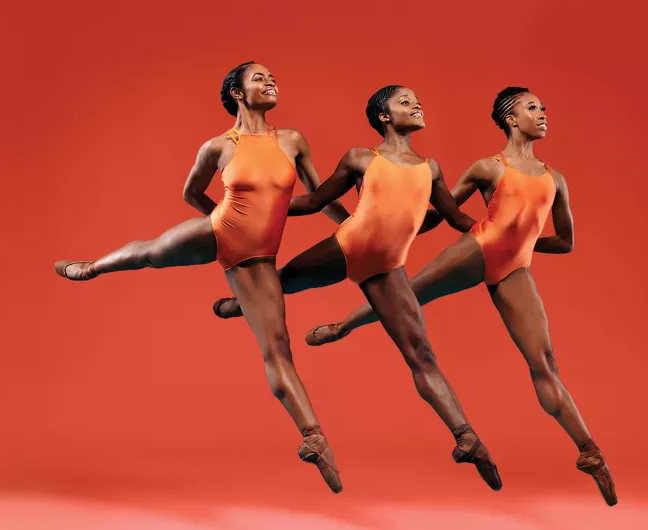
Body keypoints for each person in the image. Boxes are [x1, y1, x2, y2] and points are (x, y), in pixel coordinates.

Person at [288, 87, 618, 505]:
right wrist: (390, 228)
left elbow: (565, 242)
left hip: (515, 267)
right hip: (477, 248)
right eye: (534, 108)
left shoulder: (557, 179)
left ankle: (589, 451)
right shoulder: (488, 167)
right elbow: (441, 212)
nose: (543, 113)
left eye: (544, 108)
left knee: (545, 362)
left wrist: (523, 245)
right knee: (411, 292)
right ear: (512, 119)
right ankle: (344, 324)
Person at [53, 61, 350, 493]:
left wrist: (350, 227)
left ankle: (313, 439)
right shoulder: (217, 147)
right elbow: (191, 192)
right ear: (237, 92)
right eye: (259, 78)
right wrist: (224, 220)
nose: (271, 82)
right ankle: (95, 266)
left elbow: (318, 195)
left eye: (273, 77)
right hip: (218, 230)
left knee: (278, 348)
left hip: (257, 258)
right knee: (153, 253)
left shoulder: (292, 140)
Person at [212, 85, 502, 490]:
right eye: (405, 101)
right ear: (384, 117)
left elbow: (451, 217)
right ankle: (240, 303)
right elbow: (316, 202)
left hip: (386, 267)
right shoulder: (361, 158)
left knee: (421, 353)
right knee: (279, 285)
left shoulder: (430, 168)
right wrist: (258, 206)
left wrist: (491, 229)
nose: (417, 104)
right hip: (347, 246)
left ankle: (466, 436)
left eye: (418, 100)